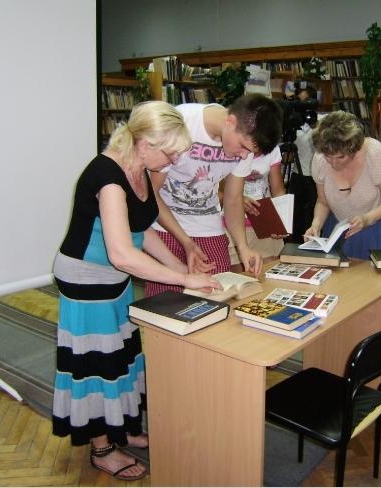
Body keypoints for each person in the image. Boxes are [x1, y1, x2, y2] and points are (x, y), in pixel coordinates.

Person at [51, 101, 220, 482]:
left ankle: (121, 428)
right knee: (98, 366)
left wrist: (182, 266)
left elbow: (141, 229)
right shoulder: (109, 178)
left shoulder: (139, 166)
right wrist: (183, 280)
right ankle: (102, 449)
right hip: (86, 280)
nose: (174, 162)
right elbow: (123, 254)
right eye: (171, 154)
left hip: (113, 280)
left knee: (122, 356)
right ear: (145, 144)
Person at [145, 93, 283, 296]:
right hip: (166, 225)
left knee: (218, 296)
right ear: (230, 121)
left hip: (208, 225)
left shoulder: (245, 145)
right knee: (167, 301)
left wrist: (243, 247)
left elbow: (233, 200)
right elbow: (151, 194)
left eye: (250, 153)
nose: (244, 156)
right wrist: (186, 241)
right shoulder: (182, 123)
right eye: (243, 147)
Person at [305, 111, 381, 260]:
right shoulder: (319, 160)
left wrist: (367, 219)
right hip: (340, 227)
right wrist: (316, 224)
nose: (333, 163)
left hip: (377, 224)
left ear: (354, 148)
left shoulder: (375, 154)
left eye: (340, 157)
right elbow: (323, 202)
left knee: (375, 273)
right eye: (328, 156)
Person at [225, 145, 287, 272]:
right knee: (241, 277)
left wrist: (282, 221)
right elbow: (214, 191)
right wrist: (237, 199)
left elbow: (278, 190)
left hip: (264, 222)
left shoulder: (272, 148)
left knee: (269, 274)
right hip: (234, 223)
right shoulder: (231, 145)